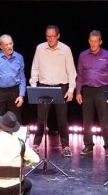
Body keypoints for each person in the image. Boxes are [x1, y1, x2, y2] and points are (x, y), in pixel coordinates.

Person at [30, 25, 77, 156]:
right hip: (43, 87)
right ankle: (36, 144)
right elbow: (35, 67)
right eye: (48, 36)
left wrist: (71, 89)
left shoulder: (65, 49)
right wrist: (33, 86)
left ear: (58, 36)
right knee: (41, 119)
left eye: (53, 36)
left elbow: (71, 71)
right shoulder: (40, 48)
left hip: (61, 88)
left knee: (62, 119)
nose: (50, 39)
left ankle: (65, 146)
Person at [75, 30, 108, 157]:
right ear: (88, 41)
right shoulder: (83, 55)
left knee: (105, 121)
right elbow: (79, 75)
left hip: (102, 91)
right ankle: (88, 145)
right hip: (87, 91)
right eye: (91, 41)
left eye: (95, 41)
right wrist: (78, 92)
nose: (93, 44)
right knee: (87, 121)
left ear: (100, 42)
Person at [0, 34, 27, 122]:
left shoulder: (19, 57)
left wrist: (21, 95)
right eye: (6, 44)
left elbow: (22, 78)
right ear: (1, 47)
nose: (9, 46)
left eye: (10, 43)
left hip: (14, 92)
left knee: (16, 120)